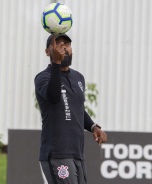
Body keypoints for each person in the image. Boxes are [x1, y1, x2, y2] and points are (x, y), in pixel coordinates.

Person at [35, 34, 107, 184]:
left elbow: (78, 109)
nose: (63, 47)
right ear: (48, 52)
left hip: (77, 153)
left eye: (67, 44)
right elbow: (54, 97)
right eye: (57, 44)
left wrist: (93, 127)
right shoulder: (43, 78)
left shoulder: (78, 78)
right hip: (57, 153)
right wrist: (56, 63)